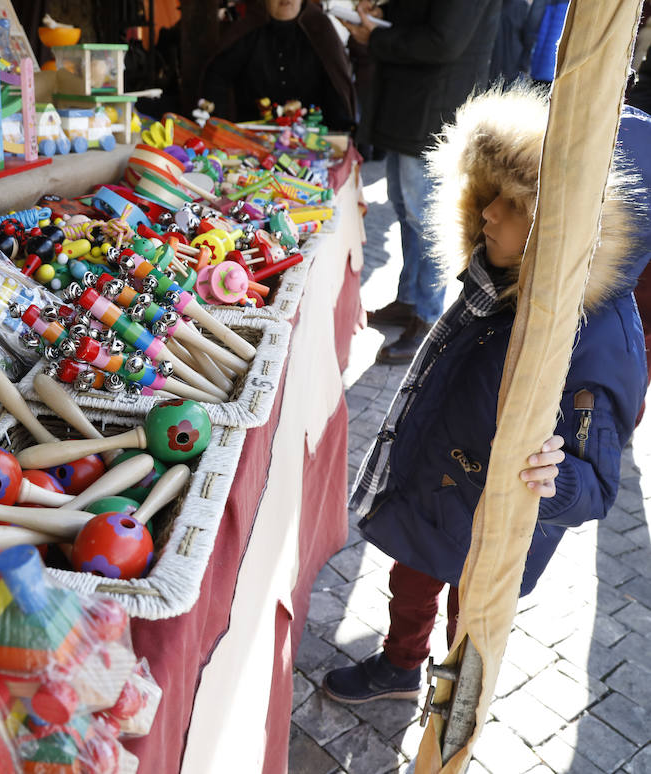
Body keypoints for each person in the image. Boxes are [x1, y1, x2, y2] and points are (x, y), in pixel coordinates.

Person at [321, 86, 649, 704]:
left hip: (490, 516)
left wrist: (558, 478)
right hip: (435, 479)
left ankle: (451, 713)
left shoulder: (602, 340)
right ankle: (399, 663)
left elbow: (596, 486)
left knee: (468, 618)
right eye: (489, 197)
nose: (490, 215)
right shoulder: (498, 275)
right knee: (411, 576)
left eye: (514, 204)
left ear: (568, 224)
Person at [344, 0, 502, 365]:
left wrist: (378, 39)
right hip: (413, 103)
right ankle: (411, 299)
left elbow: (444, 42)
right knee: (404, 206)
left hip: (434, 106)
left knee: (425, 216)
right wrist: (384, 21)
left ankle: (428, 316)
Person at [200, 0, 356, 131]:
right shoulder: (247, 30)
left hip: (311, 131)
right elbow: (217, 77)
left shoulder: (320, 28)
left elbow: (336, 86)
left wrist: (340, 130)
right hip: (253, 133)